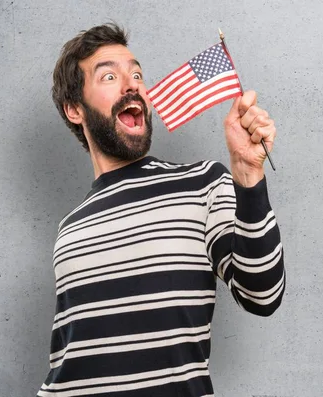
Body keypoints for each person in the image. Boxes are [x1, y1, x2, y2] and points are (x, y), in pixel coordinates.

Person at [38, 23, 285, 397]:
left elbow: (263, 294)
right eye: (109, 75)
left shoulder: (201, 183)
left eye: (136, 74)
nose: (132, 84)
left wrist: (248, 171)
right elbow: (72, 358)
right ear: (75, 109)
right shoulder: (70, 228)